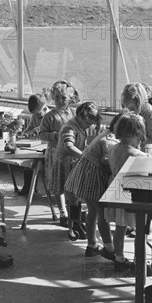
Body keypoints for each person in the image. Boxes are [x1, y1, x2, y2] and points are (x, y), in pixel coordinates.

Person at [65, 113, 122, 257]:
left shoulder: (107, 133)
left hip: (85, 172)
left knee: (93, 211)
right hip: (92, 175)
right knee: (102, 213)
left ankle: (92, 245)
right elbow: (106, 160)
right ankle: (109, 249)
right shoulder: (110, 140)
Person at [103, 113, 148, 271]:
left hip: (116, 192)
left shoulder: (114, 148)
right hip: (132, 195)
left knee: (120, 228)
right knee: (140, 229)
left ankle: (119, 258)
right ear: (138, 134)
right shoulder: (137, 154)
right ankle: (139, 261)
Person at [53, 101, 101, 240]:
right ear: (80, 116)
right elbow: (69, 146)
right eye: (88, 124)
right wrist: (84, 156)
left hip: (74, 163)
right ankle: (74, 224)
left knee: (76, 195)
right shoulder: (70, 127)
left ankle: (76, 222)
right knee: (73, 195)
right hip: (66, 164)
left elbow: (80, 143)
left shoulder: (80, 126)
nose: (88, 126)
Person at [37, 80, 79, 224]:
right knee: (57, 182)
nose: (60, 101)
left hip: (71, 153)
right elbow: (41, 134)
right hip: (55, 153)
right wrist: (55, 135)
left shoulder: (73, 113)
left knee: (71, 182)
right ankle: (63, 212)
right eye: (57, 98)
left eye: (64, 98)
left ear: (70, 99)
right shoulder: (49, 116)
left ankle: (73, 210)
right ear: (53, 99)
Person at [17, 93, 48, 195]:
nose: (36, 116)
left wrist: (33, 131)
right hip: (37, 147)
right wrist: (24, 133)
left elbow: (40, 128)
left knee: (33, 164)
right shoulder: (35, 115)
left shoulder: (49, 116)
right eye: (34, 114)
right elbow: (30, 127)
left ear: (45, 108)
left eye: (38, 114)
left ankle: (31, 188)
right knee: (28, 162)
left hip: (47, 148)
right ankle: (28, 188)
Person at [121, 82, 152, 157]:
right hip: (135, 149)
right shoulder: (135, 113)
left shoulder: (150, 114)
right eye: (128, 108)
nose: (130, 111)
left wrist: (135, 139)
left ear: (140, 103)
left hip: (146, 151)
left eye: (132, 108)